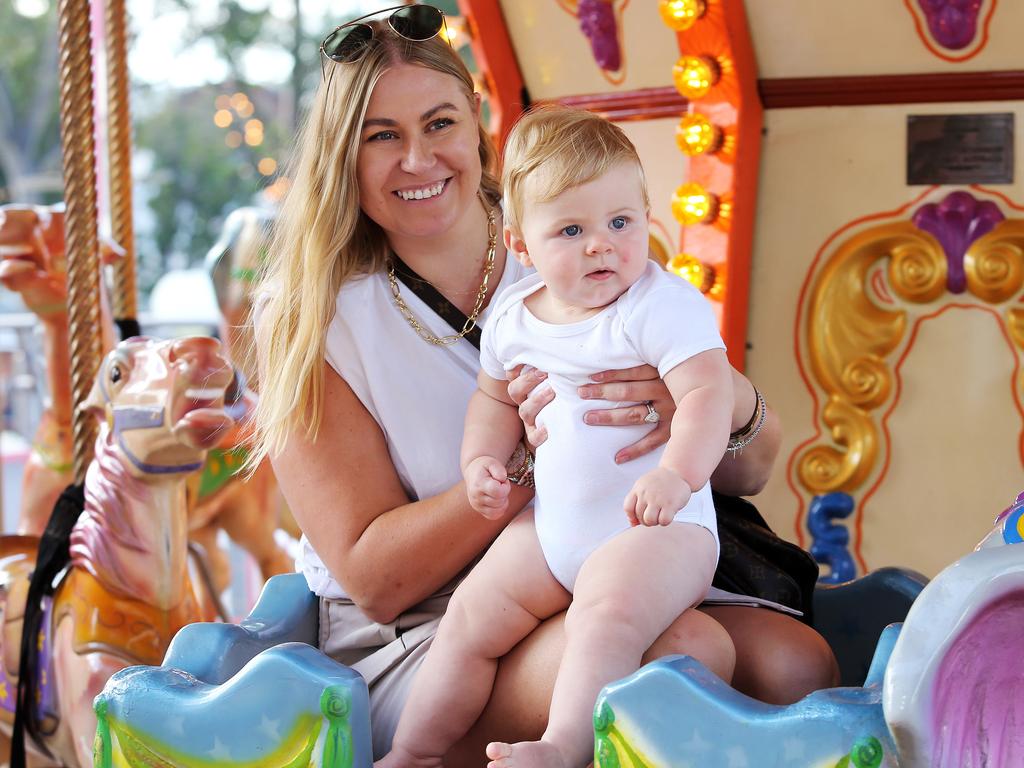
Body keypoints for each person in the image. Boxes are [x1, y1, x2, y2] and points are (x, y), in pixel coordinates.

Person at [249, 4, 838, 764]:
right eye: (381, 136)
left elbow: (753, 466)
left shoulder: (574, 239)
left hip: (602, 556)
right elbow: (375, 580)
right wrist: (525, 465)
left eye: (439, 124)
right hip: (426, 624)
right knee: (679, 661)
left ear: (479, 129)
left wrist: (713, 397)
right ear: (341, 155)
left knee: (797, 665)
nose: (419, 160)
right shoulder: (313, 317)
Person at [379, 105, 734, 768]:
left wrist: (676, 474)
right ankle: (413, 752)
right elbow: (492, 399)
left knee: (604, 619)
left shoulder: (658, 304)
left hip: (657, 529)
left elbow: (708, 395)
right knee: (469, 620)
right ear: (522, 245)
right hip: (553, 529)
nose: (602, 244)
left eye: (621, 223)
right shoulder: (514, 316)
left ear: (646, 218)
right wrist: (480, 461)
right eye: (571, 229)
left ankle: (563, 745)